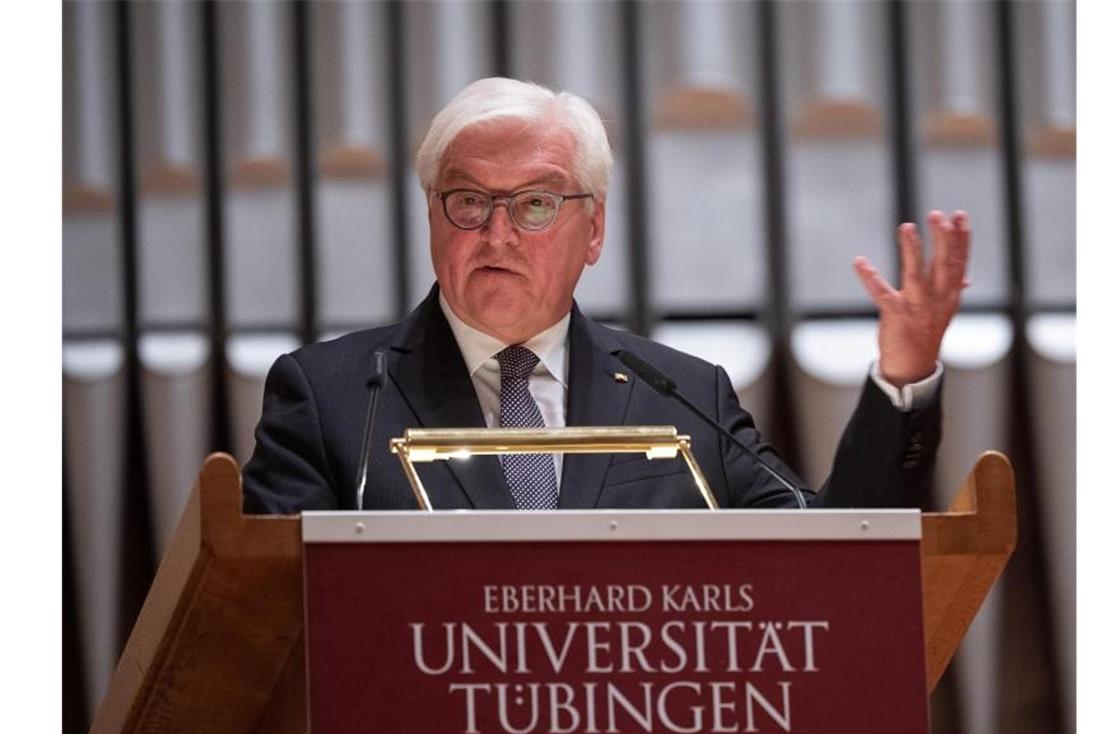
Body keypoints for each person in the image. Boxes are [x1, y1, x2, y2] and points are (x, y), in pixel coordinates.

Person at [242, 78, 970, 515]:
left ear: (593, 230)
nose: (497, 234)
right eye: (467, 200)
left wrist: (904, 377)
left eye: (535, 205)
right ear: (432, 214)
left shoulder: (685, 398)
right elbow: (272, 631)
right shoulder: (333, 397)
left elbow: (838, 555)